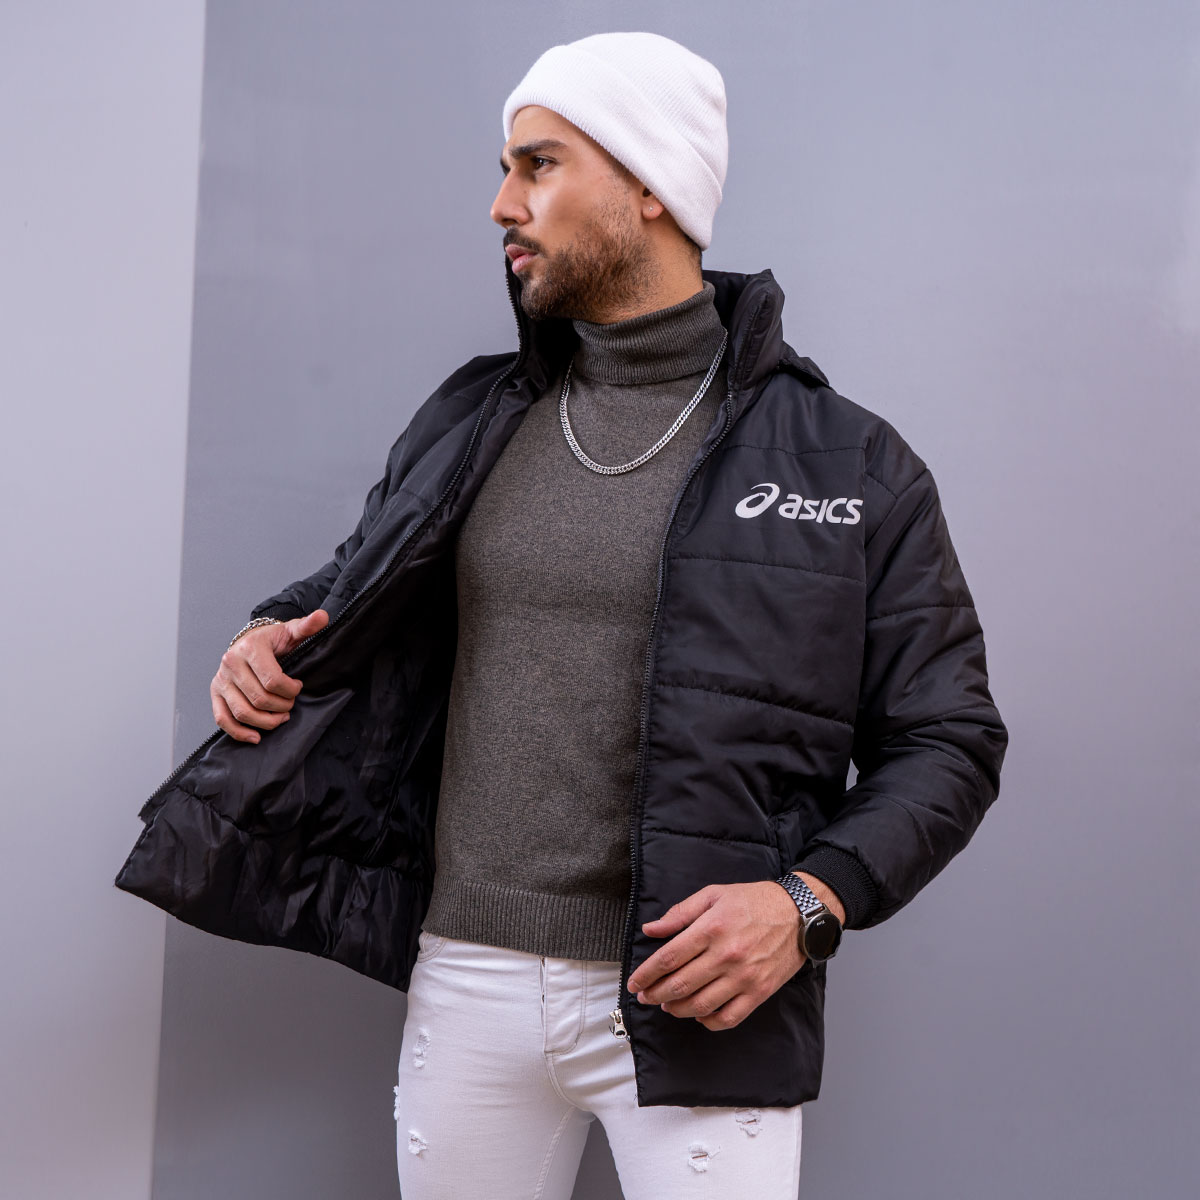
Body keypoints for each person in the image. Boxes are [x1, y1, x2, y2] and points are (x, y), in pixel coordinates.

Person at [115, 31, 1008, 1199]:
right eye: (505, 169)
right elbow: (354, 584)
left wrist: (808, 904)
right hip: (465, 984)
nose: (502, 204)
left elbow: (950, 738)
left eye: (538, 165)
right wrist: (265, 635)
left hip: (698, 1009)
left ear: (651, 186)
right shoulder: (472, 417)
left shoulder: (848, 463)